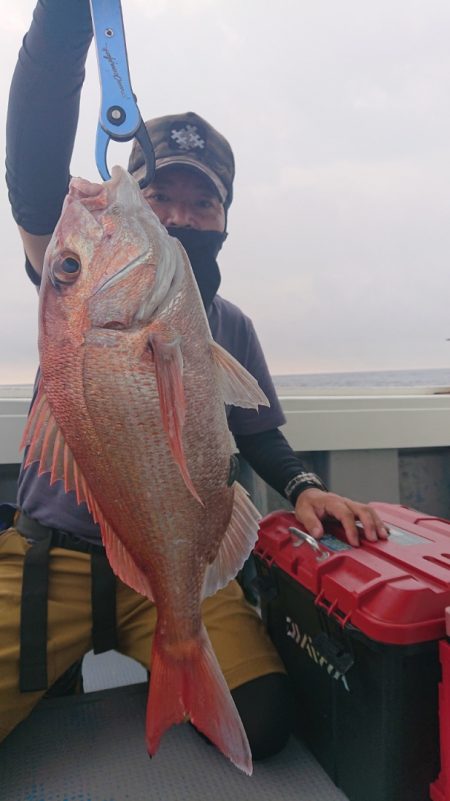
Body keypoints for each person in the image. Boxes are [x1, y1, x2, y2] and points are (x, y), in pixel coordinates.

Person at [2, 0, 388, 760]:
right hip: (56, 559)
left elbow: (259, 429)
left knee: (267, 714)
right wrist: (63, 22)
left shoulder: (228, 323)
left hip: (177, 568)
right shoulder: (76, 287)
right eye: (160, 194)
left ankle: (181, 659)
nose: (179, 213)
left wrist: (305, 482)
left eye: (201, 199)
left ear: (223, 221)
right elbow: (34, 161)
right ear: (135, 204)